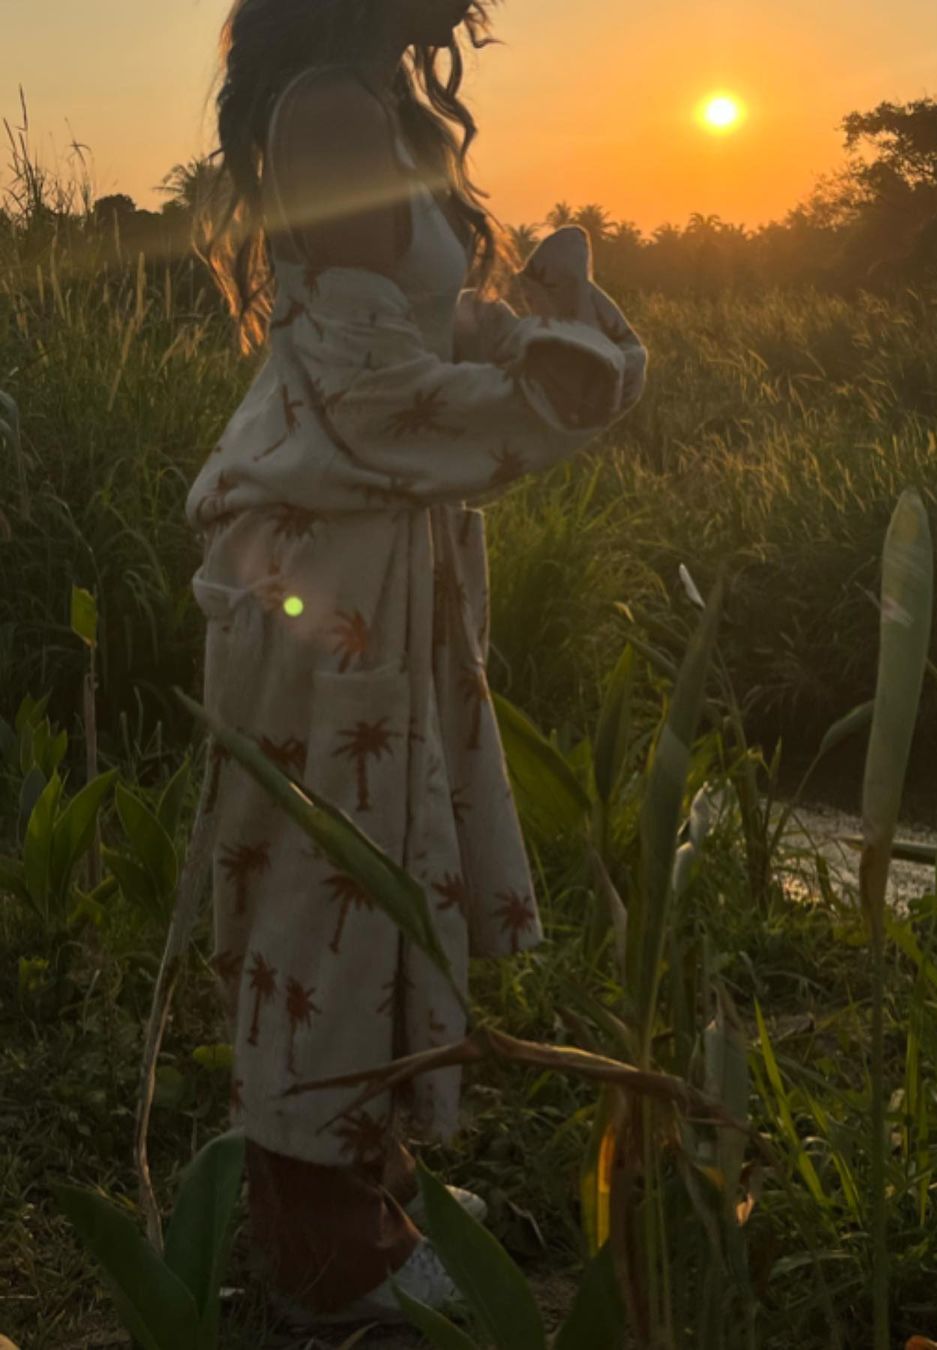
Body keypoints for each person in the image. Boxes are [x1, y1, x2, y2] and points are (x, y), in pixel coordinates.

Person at [186, 0, 648, 1327]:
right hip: (327, 570)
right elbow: (367, 385)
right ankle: (323, 1251)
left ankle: (355, 1198)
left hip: (370, 550)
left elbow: (417, 336)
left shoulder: (363, 99)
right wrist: (556, 388)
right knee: (324, 891)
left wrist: (535, 329)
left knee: (363, 871)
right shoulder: (332, 111)